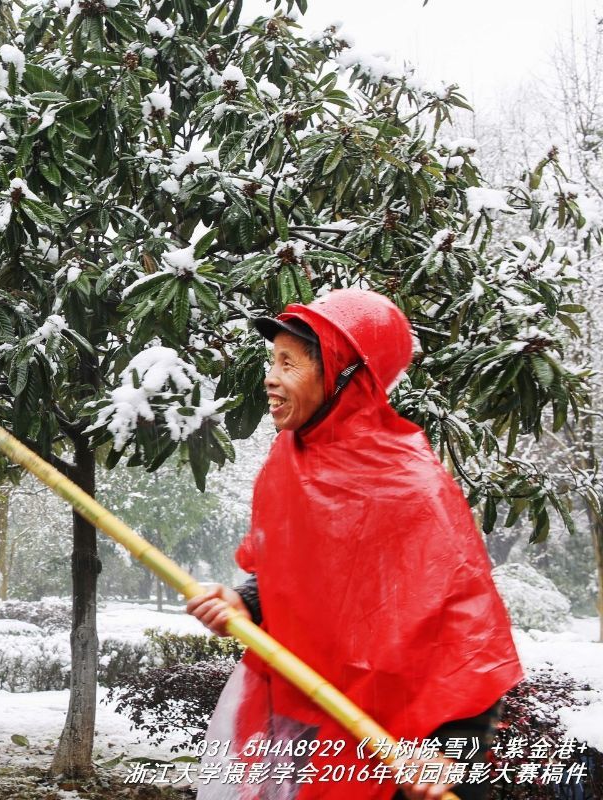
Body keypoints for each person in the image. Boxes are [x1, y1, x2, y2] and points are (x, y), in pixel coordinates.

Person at [185, 289, 523, 800]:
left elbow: (464, 634)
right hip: (297, 726)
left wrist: (453, 753)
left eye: (289, 364)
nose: (270, 379)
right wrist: (246, 602)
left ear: (344, 373)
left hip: (391, 746)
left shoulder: (410, 484)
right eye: (271, 362)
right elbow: (290, 574)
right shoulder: (286, 464)